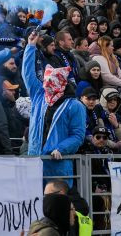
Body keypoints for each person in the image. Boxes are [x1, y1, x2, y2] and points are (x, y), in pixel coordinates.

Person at [22, 31, 86, 186]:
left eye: (51, 83)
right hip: (35, 163)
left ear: (61, 84)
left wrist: (61, 149)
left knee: (57, 206)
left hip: (57, 165)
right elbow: (28, 75)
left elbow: (78, 136)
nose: (47, 85)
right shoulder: (39, 96)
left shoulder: (75, 106)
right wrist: (30, 46)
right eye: (46, 82)